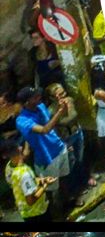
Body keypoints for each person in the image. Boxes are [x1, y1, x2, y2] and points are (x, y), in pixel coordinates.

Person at [14, 86, 69, 217]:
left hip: (59, 148)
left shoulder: (41, 106)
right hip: (47, 157)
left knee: (64, 180)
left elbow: (53, 124)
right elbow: (44, 130)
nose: (39, 97)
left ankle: (66, 207)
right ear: (27, 102)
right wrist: (59, 111)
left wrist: (62, 107)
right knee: (49, 191)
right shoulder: (22, 120)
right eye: (35, 97)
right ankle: (56, 216)